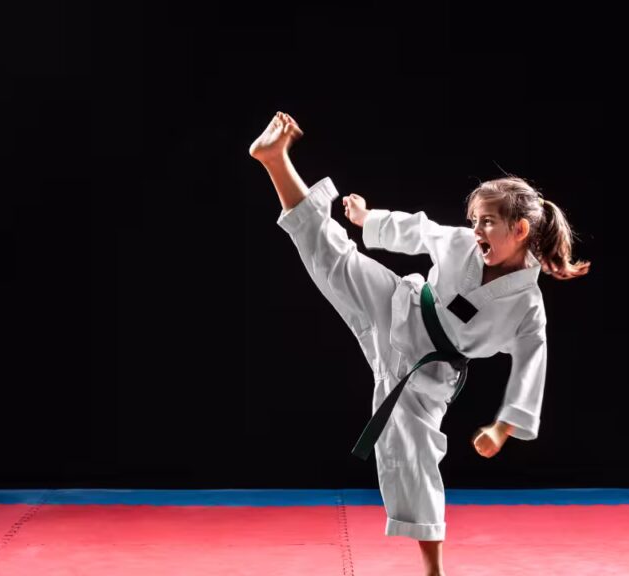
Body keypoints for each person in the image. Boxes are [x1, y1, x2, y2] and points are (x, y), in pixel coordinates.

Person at [249, 111, 590, 576]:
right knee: (331, 256)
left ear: (520, 231)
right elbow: (419, 229)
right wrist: (370, 219)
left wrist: (503, 428)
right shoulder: (460, 244)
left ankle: (433, 569)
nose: (475, 231)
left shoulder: (527, 306)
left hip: (430, 373)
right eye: (474, 220)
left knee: (414, 456)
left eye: (486, 222)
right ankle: (274, 160)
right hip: (400, 305)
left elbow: (532, 365)